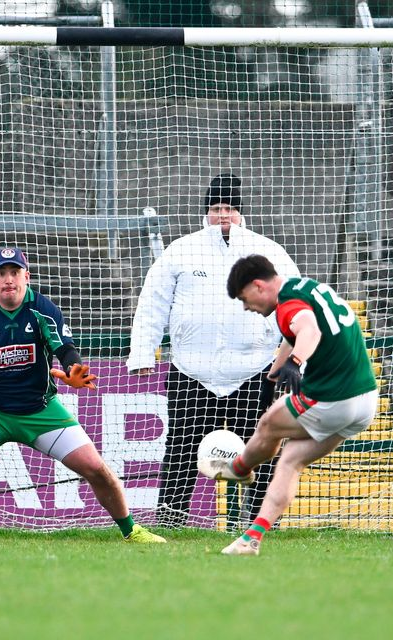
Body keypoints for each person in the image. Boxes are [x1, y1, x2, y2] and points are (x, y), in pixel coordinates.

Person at [0, 247, 166, 543]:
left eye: (15, 272)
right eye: (2, 273)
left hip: (41, 411)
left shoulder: (43, 310)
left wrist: (74, 368)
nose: (9, 279)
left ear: (27, 276)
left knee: (95, 467)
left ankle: (132, 530)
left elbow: (64, 349)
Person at [127, 173, 300, 527]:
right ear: (206, 212)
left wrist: (295, 359)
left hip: (255, 370)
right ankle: (171, 520)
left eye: (230, 209)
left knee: (263, 450)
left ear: (241, 213)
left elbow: (294, 304)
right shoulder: (182, 250)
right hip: (192, 370)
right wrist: (143, 351)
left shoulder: (267, 251)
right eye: (216, 208)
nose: (223, 216)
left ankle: (261, 522)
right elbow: (153, 302)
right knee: (180, 449)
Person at [198, 254, 379, 555]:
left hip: (332, 398)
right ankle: (251, 539)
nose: (246, 307)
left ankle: (239, 468)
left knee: (268, 425)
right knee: (290, 461)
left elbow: (308, 330)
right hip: (364, 402)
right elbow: (293, 335)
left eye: (245, 299)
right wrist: (272, 376)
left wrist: (295, 363)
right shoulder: (303, 287)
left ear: (258, 286)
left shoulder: (286, 306)